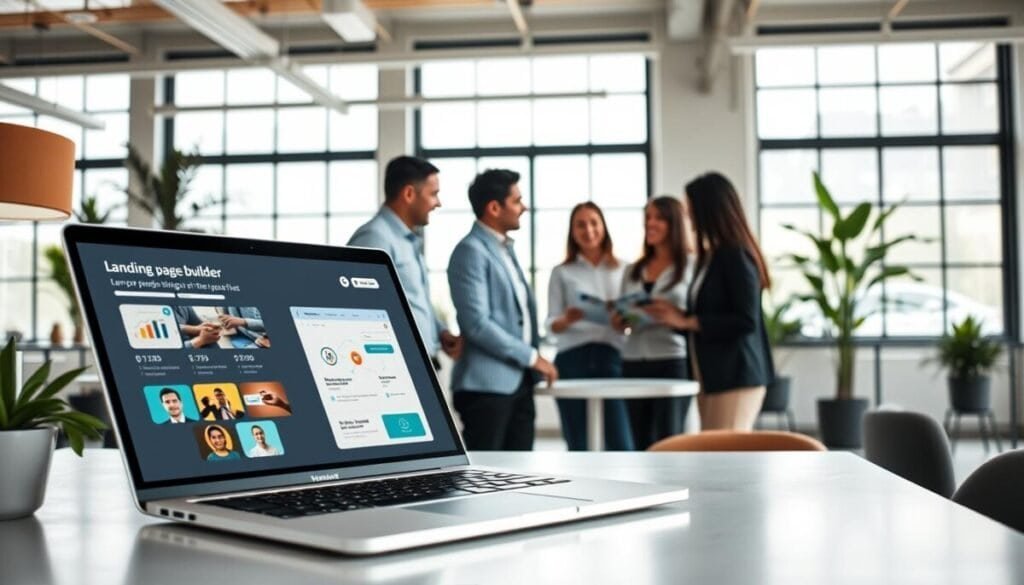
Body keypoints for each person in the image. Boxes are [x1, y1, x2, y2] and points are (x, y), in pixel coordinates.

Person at [447, 169, 558, 450]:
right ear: (494, 208)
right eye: (517, 201)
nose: (524, 207)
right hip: (486, 389)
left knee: (521, 476)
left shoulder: (504, 249)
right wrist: (532, 357)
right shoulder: (470, 251)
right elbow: (477, 324)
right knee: (487, 478)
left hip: (518, 383)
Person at [657, 172, 774, 431]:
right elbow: (710, 312)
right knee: (714, 456)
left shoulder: (734, 256)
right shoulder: (711, 256)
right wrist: (674, 317)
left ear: (707, 209)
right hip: (712, 375)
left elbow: (745, 320)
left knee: (724, 459)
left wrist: (690, 321)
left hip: (736, 376)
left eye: (690, 208)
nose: (687, 215)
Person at [348, 156, 463, 365]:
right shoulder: (374, 238)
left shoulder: (408, 240)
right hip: (396, 364)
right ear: (409, 194)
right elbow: (360, 310)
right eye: (433, 194)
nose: (438, 203)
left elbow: (413, 301)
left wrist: (439, 331)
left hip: (421, 362)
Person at [547, 202, 633, 451]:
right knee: (578, 444)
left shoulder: (625, 269)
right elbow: (551, 323)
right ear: (572, 232)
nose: (588, 230)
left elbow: (633, 318)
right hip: (572, 358)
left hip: (612, 357)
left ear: (603, 227)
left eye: (594, 223)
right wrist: (567, 319)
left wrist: (623, 321)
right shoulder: (562, 272)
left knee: (621, 442)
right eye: (581, 225)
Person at [612, 196, 694, 451]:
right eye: (648, 217)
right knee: (639, 441)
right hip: (633, 362)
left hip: (671, 360)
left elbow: (697, 313)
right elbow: (622, 318)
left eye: (658, 218)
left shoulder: (692, 266)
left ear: (675, 224)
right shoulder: (633, 270)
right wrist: (619, 319)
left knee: (668, 440)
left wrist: (674, 316)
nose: (651, 223)